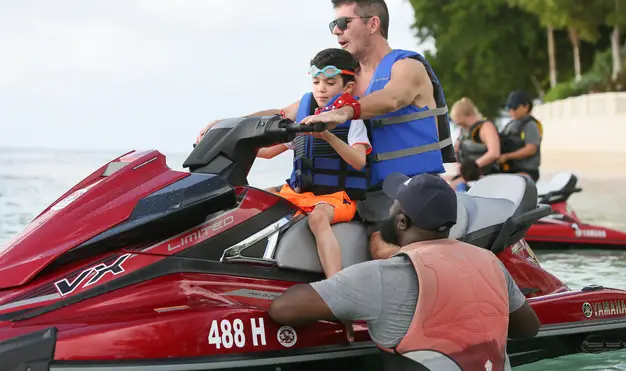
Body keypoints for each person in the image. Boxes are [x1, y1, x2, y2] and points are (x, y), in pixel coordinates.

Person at [196, 0, 456, 259]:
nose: (336, 31)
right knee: (254, 207)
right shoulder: (343, 83)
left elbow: (393, 98)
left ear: (373, 24)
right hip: (358, 193)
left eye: (343, 23)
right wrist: (227, 125)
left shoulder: (406, 66)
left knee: (380, 249)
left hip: (410, 191)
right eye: (333, 24)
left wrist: (343, 112)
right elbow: (285, 113)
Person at [268, 172, 541, 371]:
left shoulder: (384, 275)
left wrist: (339, 300)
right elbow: (529, 328)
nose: (387, 209)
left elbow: (283, 309)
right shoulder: (489, 262)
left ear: (401, 220)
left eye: (393, 204)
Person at [256, 48, 371, 279]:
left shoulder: (353, 121)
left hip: (337, 198)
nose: (321, 88)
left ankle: (335, 282)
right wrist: (236, 144)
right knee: (256, 199)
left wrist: (327, 135)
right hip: (301, 194)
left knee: (318, 218)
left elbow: (359, 161)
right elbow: (268, 153)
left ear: (347, 87)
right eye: (316, 81)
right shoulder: (305, 117)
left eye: (329, 82)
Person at [444, 97, 501, 191]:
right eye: (459, 124)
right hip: (468, 176)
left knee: (449, 190)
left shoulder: (485, 127)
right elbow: (455, 153)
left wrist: (474, 165)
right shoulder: (463, 131)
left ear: (470, 115)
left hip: (485, 175)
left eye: (462, 124)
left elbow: (494, 153)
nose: (461, 127)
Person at [498, 91, 543, 182]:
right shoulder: (510, 124)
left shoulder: (531, 125)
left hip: (527, 170)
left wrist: (507, 156)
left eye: (515, 107)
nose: (511, 111)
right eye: (509, 107)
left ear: (526, 106)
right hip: (511, 169)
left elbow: (531, 149)